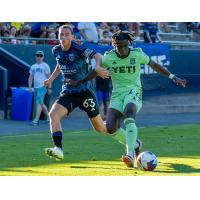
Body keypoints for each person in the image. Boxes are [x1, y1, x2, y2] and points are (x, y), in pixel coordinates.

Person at [69, 31, 187, 168]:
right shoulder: (108, 57)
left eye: (125, 45)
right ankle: (136, 144)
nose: (123, 49)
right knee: (111, 128)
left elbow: (154, 65)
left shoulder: (137, 54)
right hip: (117, 94)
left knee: (129, 115)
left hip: (134, 90)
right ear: (114, 45)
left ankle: (129, 154)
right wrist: (79, 82)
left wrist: (173, 77)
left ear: (129, 43)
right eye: (120, 46)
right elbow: (96, 71)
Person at [44, 25, 143, 162]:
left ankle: (134, 143)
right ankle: (58, 149)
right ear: (58, 35)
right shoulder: (56, 50)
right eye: (61, 34)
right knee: (53, 114)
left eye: (67, 34)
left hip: (85, 92)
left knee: (101, 128)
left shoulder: (78, 48)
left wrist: (97, 67)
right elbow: (59, 64)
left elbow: (97, 56)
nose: (64, 37)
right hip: (68, 92)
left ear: (72, 36)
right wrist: (51, 79)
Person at [28, 50, 51, 125]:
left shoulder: (45, 66)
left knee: (39, 102)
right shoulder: (33, 67)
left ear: (43, 57)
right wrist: (30, 87)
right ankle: (49, 117)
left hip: (43, 87)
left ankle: (36, 120)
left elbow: (49, 77)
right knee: (40, 103)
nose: (39, 57)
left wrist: (50, 88)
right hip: (35, 88)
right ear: (35, 56)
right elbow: (30, 78)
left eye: (41, 56)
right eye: (37, 55)